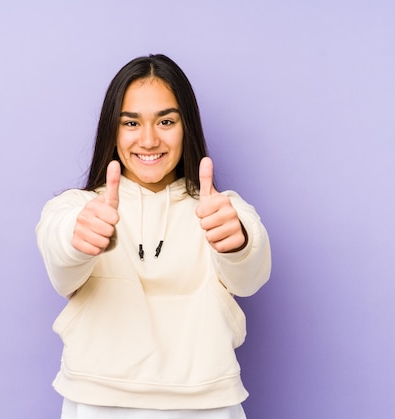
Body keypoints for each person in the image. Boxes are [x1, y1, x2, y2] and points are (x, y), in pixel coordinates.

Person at [36, 54, 271, 418]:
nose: (148, 139)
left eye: (165, 121)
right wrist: (77, 239)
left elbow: (250, 278)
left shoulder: (220, 209)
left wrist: (238, 242)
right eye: (131, 122)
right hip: (98, 402)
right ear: (112, 130)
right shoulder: (75, 208)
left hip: (207, 404)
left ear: (186, 126)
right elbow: (60, 259)